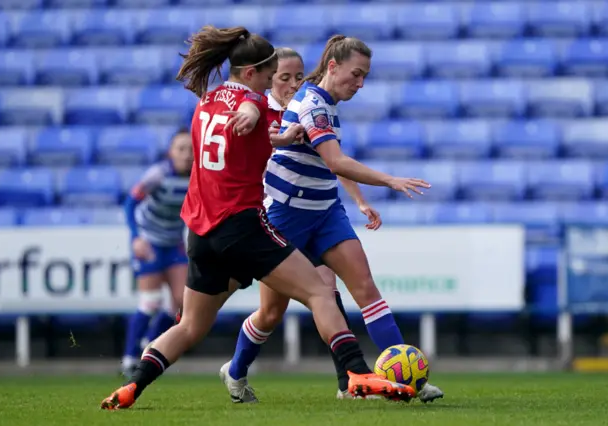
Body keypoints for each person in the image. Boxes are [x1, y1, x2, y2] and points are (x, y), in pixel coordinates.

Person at [100, 26, 419, 411]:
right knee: (320, 291)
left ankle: (132, 386)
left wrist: (282, 138)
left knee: (190, 326)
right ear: (251, 73)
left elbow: (255, 129)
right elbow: (251, 110)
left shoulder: (205, 101)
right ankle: (354, 373)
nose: (275, 84)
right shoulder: (256, 105)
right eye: (271, 76)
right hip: (243, 225)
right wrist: (253, 110)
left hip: (201, 232)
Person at [221, 35, 444, 403]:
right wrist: (390, 180)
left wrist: (357, 200)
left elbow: (329, 163)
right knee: (271, 313)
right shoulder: (312, 105)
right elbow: (337, 161)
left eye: (365, 76)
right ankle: (236, 371)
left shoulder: (325, 103)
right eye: (356, 74)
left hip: (325, 212)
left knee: (366, 289)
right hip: (285, 216)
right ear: (333, 67)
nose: (360, 83)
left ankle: (408, 382)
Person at [121, 129, 191, 379]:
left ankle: (149, 347)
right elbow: (130, 202)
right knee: (150, 302)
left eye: (190, 149)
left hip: (173, 243)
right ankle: (129, 358)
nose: (186, 155)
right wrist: (135, 237)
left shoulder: (197, 176)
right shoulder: (158, 175)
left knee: (181, 304)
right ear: (171, 152)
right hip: (150, 241)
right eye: (180, 149)